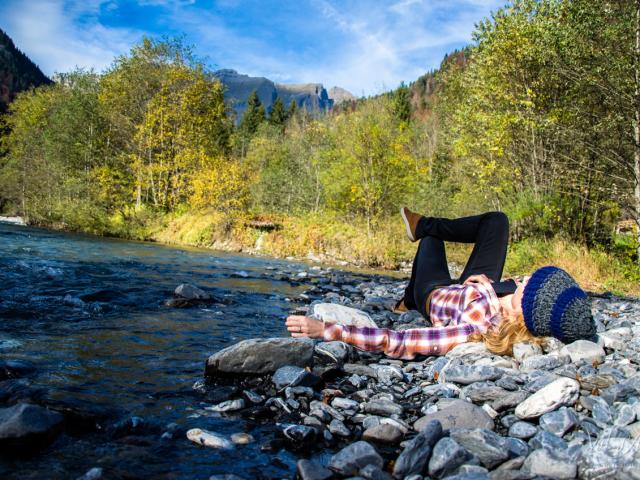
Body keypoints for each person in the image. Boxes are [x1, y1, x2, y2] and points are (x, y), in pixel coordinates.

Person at [285, 208, 596, 359]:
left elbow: (400, 341)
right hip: (473, 286)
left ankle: (411, 295)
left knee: (432, 240)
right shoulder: (516, 303)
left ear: (524, 314)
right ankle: (422, 225)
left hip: (433, 293)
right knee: (497, 221)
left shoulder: (476, 328)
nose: (523, 279)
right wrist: (490, 287)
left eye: (528, 285)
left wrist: (328, 330)